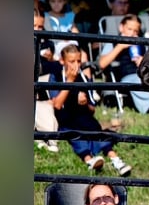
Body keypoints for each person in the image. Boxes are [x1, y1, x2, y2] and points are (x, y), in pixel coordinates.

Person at [49, 44, 133, 176]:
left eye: (78, 61)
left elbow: (92, 109)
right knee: (77, 139)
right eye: (71, 62)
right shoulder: (56, 77)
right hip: (67, 120)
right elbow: (57, 105)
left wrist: (85, 103)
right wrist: (70, 81)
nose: (75, 65)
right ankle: (89, 160)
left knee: (98, 134)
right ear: (62, 61)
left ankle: (115, 159)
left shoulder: (84, 79)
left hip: (85, 118)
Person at [97, 14, 149, 115]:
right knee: (139, 81)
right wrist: (119, 47)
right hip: (127, 75)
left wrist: (145, 61)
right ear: (121, 27)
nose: (132, 34)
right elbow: (101, 64)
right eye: (129, 29)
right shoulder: (113, 42)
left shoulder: (141, 42)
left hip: (144, 72)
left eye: (136, 31)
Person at [35, 10, 59, 153]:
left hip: (41, 84)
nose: (38, 30)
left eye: (40, 27)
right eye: (34, 26)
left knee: (45, 108)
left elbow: (53, 66)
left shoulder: (47, 42)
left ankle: (50, 140)